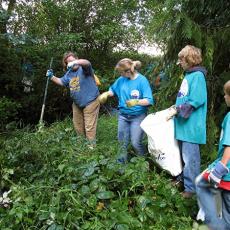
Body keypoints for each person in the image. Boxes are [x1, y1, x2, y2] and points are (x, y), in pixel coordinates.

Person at [167, 45, 208, 198]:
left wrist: (178, 110)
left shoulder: (197, 76)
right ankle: (182, 180)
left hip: (191, 127)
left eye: (181, 59)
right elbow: (184, 97)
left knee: (191, 159)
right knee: (184, 157)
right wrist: (174, 108)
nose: (179, 62)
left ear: (190, 59)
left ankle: (191, 190)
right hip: (184, 125)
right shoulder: (188, 75)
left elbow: (197, 99)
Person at [98, 58, 154, 163]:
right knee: (122, 143)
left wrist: (136, 102)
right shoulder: (121, 80)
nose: (120, 74)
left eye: (121, 72)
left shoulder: (142, 80)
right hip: (123, 116)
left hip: (138, 117)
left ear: (128, 71)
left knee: (135, 143)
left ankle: (143, 164)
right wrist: (106, 94)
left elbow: (149, 100)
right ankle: (120, 165)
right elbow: (113, 90)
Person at [46, 52, 100, 149]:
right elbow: (62, 82)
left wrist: (76, 62)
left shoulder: (84, 69)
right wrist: (51, 77)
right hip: (77, 103)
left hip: (91, 101)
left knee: (89, 127)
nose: (71, 63)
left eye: (72, 60)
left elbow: (87, 63)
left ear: (77, 59)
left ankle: (91, 148)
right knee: (78, 126)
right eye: (68, 62)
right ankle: (82, 146)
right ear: (66, 65)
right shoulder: (69, 74)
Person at [195, 80, 230, 230]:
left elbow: (229, 146)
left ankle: (215, 224)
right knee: (224, 204)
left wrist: (220, 168)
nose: (224, 97)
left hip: (226, 173)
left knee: (202, 185)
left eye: (226, 94)